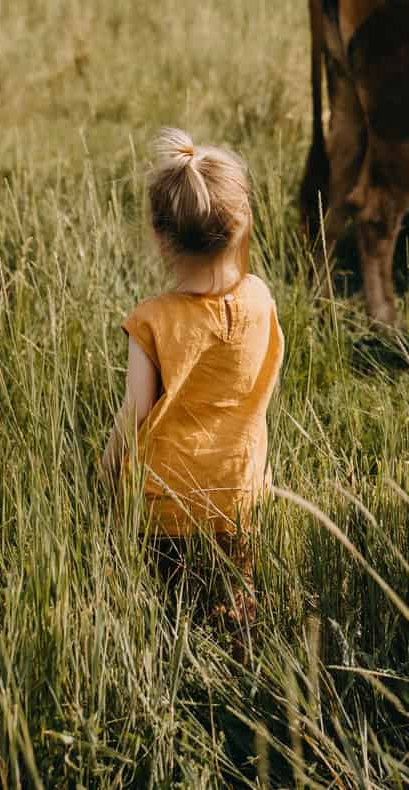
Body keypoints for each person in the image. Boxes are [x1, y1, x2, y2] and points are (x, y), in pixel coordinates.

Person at [100, 128, 285, 625]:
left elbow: (136, 410)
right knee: (236, 602)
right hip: (239, 492)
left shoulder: (153, 319)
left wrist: (106, 468)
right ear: (242, 224)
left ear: (160, 237)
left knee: (169, 611)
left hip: (164, 505)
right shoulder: (261, 301)